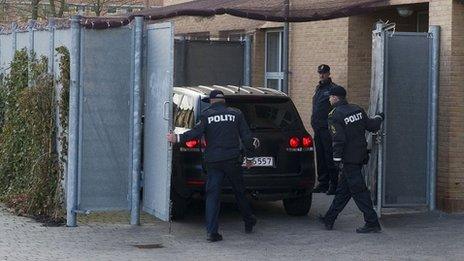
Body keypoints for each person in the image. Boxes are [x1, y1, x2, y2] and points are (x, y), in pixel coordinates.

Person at [166, 90, 258, 242]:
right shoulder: (236, 114)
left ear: (211, 101)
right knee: (239, 192)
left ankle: (212, 232)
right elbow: (247, 138)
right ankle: (249, 221)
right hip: (232, 160)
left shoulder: (207, 115)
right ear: (223, 101)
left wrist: (177, 137)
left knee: (212, 196)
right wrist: (250, 158)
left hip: (214, 162)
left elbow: (195, 132)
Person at [318, 85, 385, 233]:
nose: (329, 99)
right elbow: (372, 126)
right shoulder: (357, 109)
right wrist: (380, 117)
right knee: (344, 191)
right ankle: (330, 218)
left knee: (359, 191)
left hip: (349, 160)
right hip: (360, 156)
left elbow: (338, 139)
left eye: (330, 97)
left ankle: (372, 222)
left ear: (335, 98)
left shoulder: (334, 115)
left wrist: (336, 160)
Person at [311, 64, 339, 195]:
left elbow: (337, 108)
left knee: (329, 156)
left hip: (327, 128)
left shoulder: (333, 89)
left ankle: (333, 184)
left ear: (328, 73)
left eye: (324, 73)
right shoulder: (318, 88)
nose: (322, 75)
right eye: (320, 73)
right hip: (318, 128)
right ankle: (323, 182)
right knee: (320, 156)